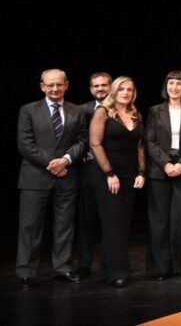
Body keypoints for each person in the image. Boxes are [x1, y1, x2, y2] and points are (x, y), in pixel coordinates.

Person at [16, 69, 89, 290]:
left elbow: (83, 141)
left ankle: (63, 267)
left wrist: (65, 160)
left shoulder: (77, 111)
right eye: (50, 85)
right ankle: (26, 272)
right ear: (42, 86)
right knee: (30, 226)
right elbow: (25, 144)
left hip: (67, 177)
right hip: (35, 177)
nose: (55, 89)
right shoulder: (28, 110)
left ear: (66, 84)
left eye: (59, 84)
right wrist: (53, 163)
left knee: (65, 226)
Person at [89, 75, 146, 286]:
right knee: (113, 222)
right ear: (114, 91)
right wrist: (109, 173)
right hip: (107, 174)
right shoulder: (102, 112)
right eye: (121, 89)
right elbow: (95, 144)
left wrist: (141, 172)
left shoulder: (135, 113)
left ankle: (107, 269)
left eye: (129, 89)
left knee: (122, 223)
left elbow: (140, 146)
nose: (125, 93)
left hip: (130, 175)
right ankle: (118, 272)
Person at [145, 71, 181, 280]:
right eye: (171, 83)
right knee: (160, 221)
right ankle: (160, 268)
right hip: (160, 171)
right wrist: (166, 163)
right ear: (165, 86)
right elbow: (149, 141)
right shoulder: (154, 110)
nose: (175, 87)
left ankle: (176, 266)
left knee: (178, 221)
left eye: (179, 84)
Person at [74, 72, 109, 278]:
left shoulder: (119, 109)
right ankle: (84, 265)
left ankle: (108, 264)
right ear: (91, 89)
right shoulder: (81, 111)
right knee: (86, 220)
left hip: (113, 171)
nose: (100, 89)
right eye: (96, 86)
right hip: (87, 170)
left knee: (110, 221)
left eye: (104, 85)